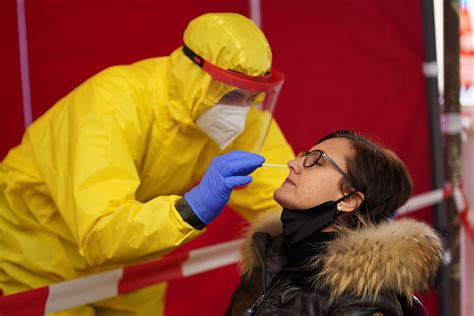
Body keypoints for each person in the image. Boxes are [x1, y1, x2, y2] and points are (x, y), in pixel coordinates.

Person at [0, 13, 294, 315]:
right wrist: (189, 211)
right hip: (41, 249)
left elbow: (283, 191)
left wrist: (328, 228)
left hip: (135, 254)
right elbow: (101, 232)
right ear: (194, 75)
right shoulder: (110, 104)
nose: (242, 112)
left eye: (253, 97)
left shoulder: (231, 114)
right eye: (233, 93)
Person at [226, 130, 443, 316]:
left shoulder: (364, 299)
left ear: (349, 200)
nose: (292, 164)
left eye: (317, 161)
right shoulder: (269, 256)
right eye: (303, 156)